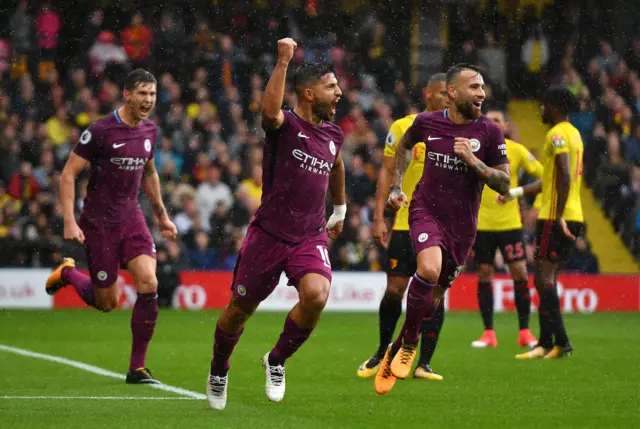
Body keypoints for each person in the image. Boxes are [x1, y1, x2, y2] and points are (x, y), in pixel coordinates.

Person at [206, 38, 346, 410]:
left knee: (316, 296)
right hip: (268, 234)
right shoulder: (286, 126)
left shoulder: (334, 135)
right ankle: (219, 368)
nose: (340, 92)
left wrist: (341, 209)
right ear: (309, 94)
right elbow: (268, 113)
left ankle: (276, 360)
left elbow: (337, 164)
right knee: (239, 311)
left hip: (310, 235)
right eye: (332, 86)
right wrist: (282, 60)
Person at [374, 63, 510, 395]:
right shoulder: (426, 123)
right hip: (425, 211)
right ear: (452, 92)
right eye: (474, 87)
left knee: (435, 297)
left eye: (482, 87)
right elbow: (404, 147)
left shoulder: (489, 132)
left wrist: (474, 162)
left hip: (462, 226)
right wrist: (395, 188)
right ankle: (408, 345)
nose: (481, 93)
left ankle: (396, 349)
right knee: (429, 269)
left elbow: (504, 183)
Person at [45, 69, 178, 384]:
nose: (148, 100)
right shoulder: (101, 130)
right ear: (128, 94)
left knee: (149, 282)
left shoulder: (150, 131)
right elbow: (67, 174)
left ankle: (137, 368)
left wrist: (161, 215)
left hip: (132, 217)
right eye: (142, 94)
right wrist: (69, 220)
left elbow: (149, 173)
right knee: (107, 303)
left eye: (152, 94)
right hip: (99, 223)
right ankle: (68, 272)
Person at [358, 73, 449, 381]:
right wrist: (380, 217)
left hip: (440, 227)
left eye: (450, 95)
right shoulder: (403, 127)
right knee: (395, 289)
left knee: (436, 293)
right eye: (441, 94)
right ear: (428, 93)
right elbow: (386, 173)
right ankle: (383, 349)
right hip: (404, 223)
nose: (447, 100)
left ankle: (424, 362)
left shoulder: (456, 131)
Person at [515, 86, 583, 360]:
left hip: (556, 215)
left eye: (544, 105)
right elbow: (552, 179)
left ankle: (561, 342)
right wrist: (516, 192)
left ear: (554, 106)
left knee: (543, 279)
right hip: (574, 214)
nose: (541, 109)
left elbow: (564, 175)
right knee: (547, 279)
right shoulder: (574, 134)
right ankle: (545, 343)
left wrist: (557, 215)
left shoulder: (555, 135)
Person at [471, 106, 542, 349]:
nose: (492, 123)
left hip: (510, 224)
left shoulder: (516, 150)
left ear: (505, 126)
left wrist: (538, 205)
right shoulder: (473, 150)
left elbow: (546, 175)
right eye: (488, 119)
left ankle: (525, 331)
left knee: (520, 273)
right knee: (484, 275)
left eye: (497, 120)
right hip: (481, 225)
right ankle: (488, 332)